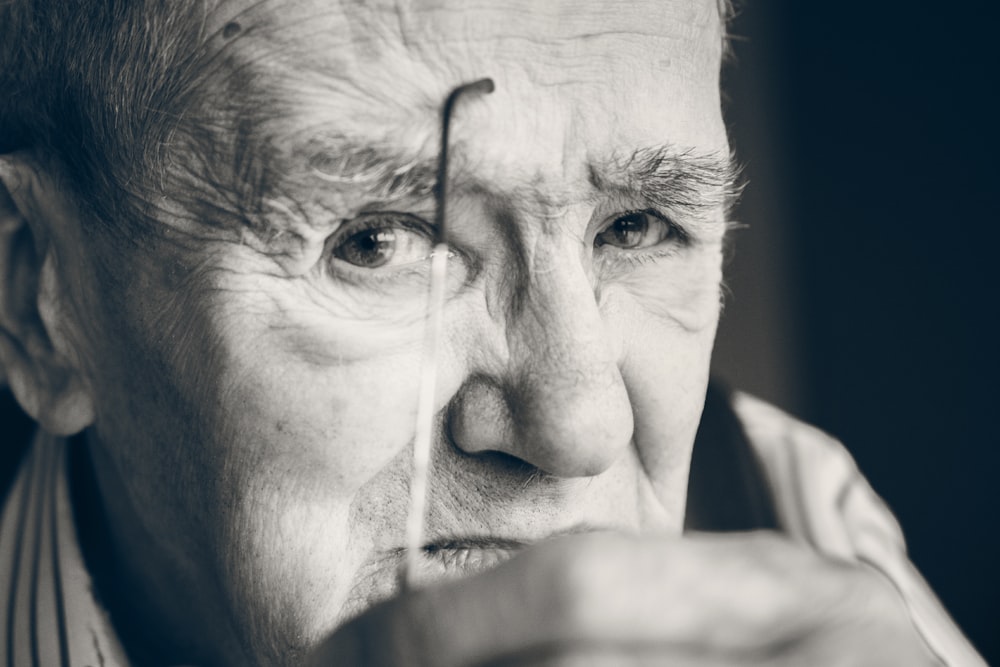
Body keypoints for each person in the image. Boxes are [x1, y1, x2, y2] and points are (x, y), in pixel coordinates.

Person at [0, 0, 986, 665]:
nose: (578, 427)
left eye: (634, 226)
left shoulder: (802, 508)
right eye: (376, 241)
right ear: (42, 301)